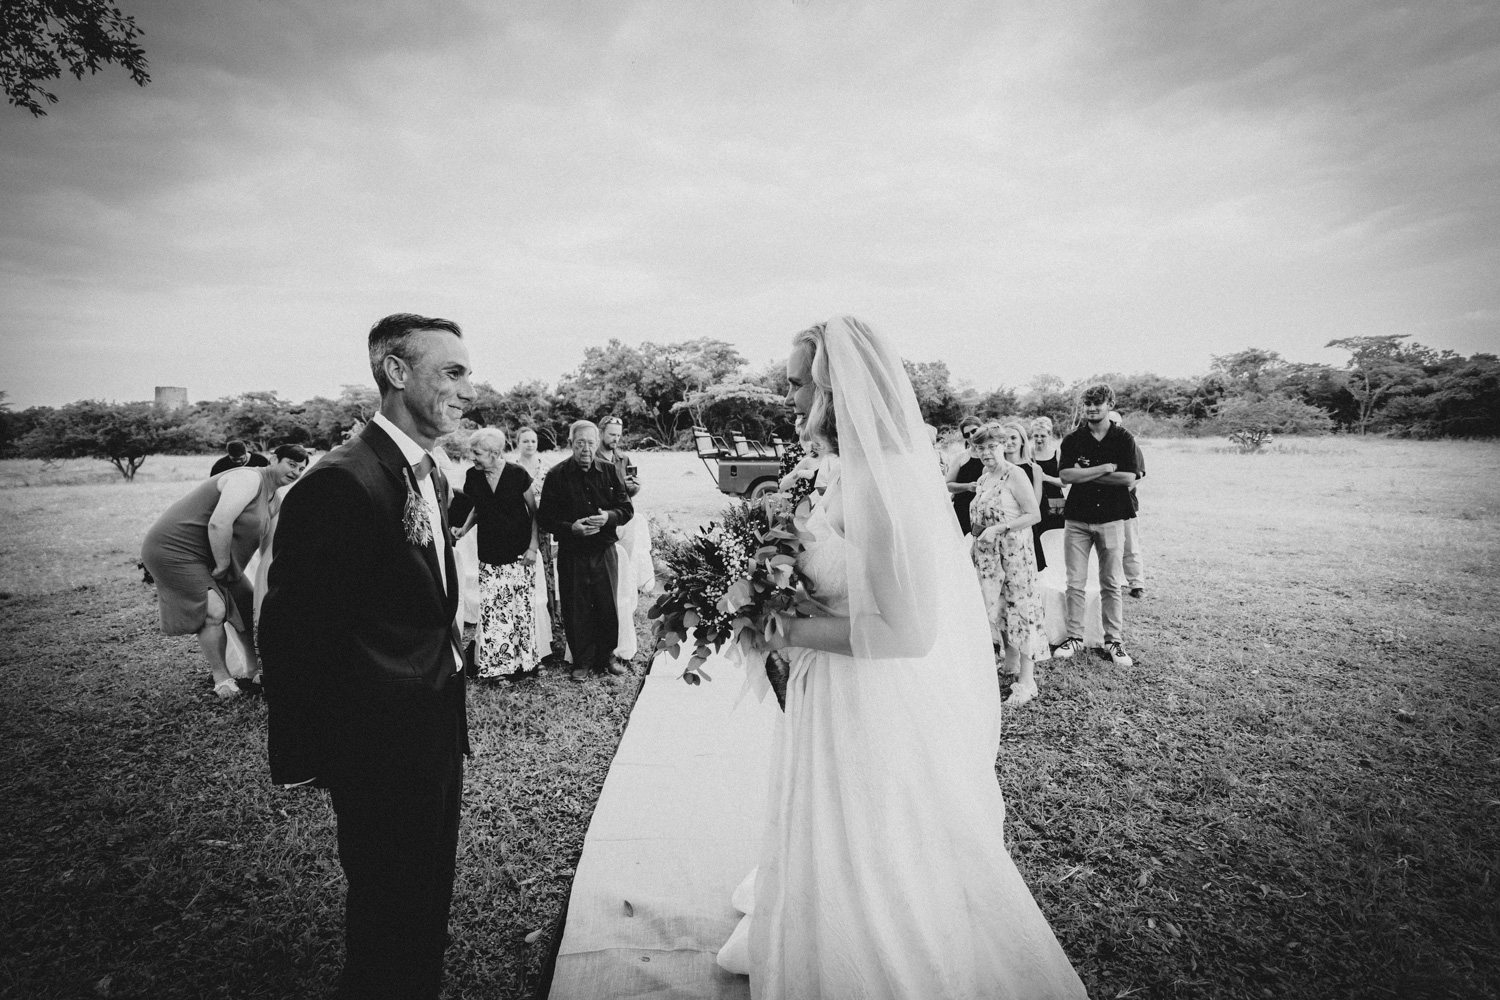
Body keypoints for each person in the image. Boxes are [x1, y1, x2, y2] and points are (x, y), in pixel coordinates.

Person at [717, 316, 1087, 998]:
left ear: (835, 391)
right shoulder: (847, 471)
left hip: (867, 697)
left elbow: (907, 633)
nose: (790, 396)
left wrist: (784, 629)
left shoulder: (882, 486)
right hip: (831, 686)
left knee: (873, 842)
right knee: (832, 833)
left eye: (798, 384)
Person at [259, 313, 475, 1000]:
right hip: (378, 740)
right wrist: (306, 754)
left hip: (435, 721)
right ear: (396, 371)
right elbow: (295, 631)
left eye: (467, 373)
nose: (468, 389)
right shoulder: (341, 482)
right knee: (388, 903)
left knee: (426, 892)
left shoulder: (430, 474)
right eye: (452, 372)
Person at [141, 444, 308, 699]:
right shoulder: (249, 478)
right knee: (214, 609)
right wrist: (222, 566)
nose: (295, 472)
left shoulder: (276, 500)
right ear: (274, 459)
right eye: (291, 464)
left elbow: (270, 552)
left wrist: (278, 584)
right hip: (174, 549)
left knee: (248, 606)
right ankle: (222, 678)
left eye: (301, 468)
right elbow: (219, 523)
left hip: (214, 554)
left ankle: (253, 670)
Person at [536, 420, 634, 681]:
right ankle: (582, 661)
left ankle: (606, 657)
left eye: (590, 443)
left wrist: (608, 517)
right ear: (570, 444)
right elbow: (545, 518)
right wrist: (571, 528)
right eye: (580, 443)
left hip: (604, 550)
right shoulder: (556, 475)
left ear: (597, 442)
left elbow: (626, 509)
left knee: (606, 604)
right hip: (572, 551)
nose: (586, 449)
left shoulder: (610, 471)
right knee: (575, 606)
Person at [1054, 384, 1138, 667]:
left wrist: (1084, 474)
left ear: (1109, 405)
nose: (1092, 408)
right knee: (1075, 582)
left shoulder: (1123, 438)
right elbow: (1066, 476)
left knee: (1111, 582)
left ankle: (1114, 641)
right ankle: (1074, 637)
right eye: (1087, 404)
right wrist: (1104, 468)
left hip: (1112, 517)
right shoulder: (1073, 439)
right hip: (1077, 518)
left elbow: (1128, 478)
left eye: (1097, 403)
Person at [968, 425, 1050, 706]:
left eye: (992, 446)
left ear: (1003, 445)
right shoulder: (984, 477)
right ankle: (1010, 662)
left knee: (1021, 610)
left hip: (1015, 553)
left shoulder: (1015, 474)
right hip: (989, 556)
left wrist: (1001, 528)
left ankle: (1027, 681)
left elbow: (1033, 515)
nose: (986, 452)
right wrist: (975, 541)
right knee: (1001, 607)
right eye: (980, 448)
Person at [454, 427, 541, 680]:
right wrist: (464, 529)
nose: (472, 456)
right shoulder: (473, 475)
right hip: (490, 554)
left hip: (520, 555)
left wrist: (533, 547)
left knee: (521, 610)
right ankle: (498, 669)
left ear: (494, 453)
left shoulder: (517, 474)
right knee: (494, 612)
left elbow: (534, 512)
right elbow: (478, 509)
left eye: (477, 453)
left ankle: (526, 665)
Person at [597, 415, 648, 669]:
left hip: (621, 519)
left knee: (623, 569)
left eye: (619, 435)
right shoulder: (593, 457)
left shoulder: (623, 459)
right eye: (611, 434)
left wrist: (634, 487)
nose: (616, 439)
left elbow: (628, 496)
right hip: (601, 521)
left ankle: (624, 613)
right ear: (600, 432)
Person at [510, 427, 561, 660]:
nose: (530, 444)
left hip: (545, 523)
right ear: (518, 443)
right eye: (525, 441)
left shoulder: (547, 466)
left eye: (533, 441)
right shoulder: (512, 467)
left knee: (547, 568)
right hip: (521, 524)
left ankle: (551, 616)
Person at [1108, 410, 1148, 598]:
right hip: (1103, 506)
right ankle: (1113, 581)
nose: (1112, 427)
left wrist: (1118, 489)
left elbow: (1138, 476)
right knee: (1108, 547)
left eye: (1115, 423)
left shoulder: (1131, 446)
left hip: (1126, 504)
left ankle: (1136, 584)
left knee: (1130, 545)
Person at [1030, 415, 1067, 568]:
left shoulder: (1057, 454)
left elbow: (1064, 482)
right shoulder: (1028, 455)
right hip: (1035, 504)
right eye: (1036, 436)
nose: (1039, 439)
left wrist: (1045, 477)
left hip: (1055, 506)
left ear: (1050, 435)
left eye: (1043, 436)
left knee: (1056, 543)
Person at [944, 414, 984, 534]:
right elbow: (948, 485)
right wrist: (967, 486)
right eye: (966, 434)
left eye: (974, 431)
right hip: (963, 509)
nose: (971, 436)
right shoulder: (961, 457)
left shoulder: (993, 454)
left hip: (986, 510)